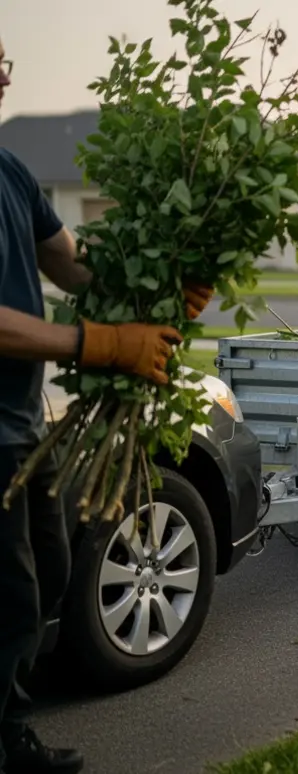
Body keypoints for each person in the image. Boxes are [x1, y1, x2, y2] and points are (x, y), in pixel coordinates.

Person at [0, 46, 213, 774]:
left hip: (21, 425)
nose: (5, 74)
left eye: (5, 59)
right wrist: (97, 343)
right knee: (10, 598)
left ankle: (8, 732)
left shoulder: (10, 172)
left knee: (47, 576)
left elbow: (71, 263)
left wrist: (163, 282)